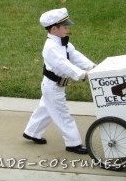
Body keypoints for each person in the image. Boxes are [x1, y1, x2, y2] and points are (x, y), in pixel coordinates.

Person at [23, 8, 95, 154]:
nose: (68, 28)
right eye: (65, 26)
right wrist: (83, 74)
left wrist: (92, 66)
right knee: (62, 114)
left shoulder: (63, 43)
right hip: (52, 86)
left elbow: (75, 55)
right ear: (54, 29)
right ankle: (73, 143)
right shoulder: (51, 48)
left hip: (54, 86)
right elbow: (64, 64)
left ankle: (32, 132)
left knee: (46, 109)